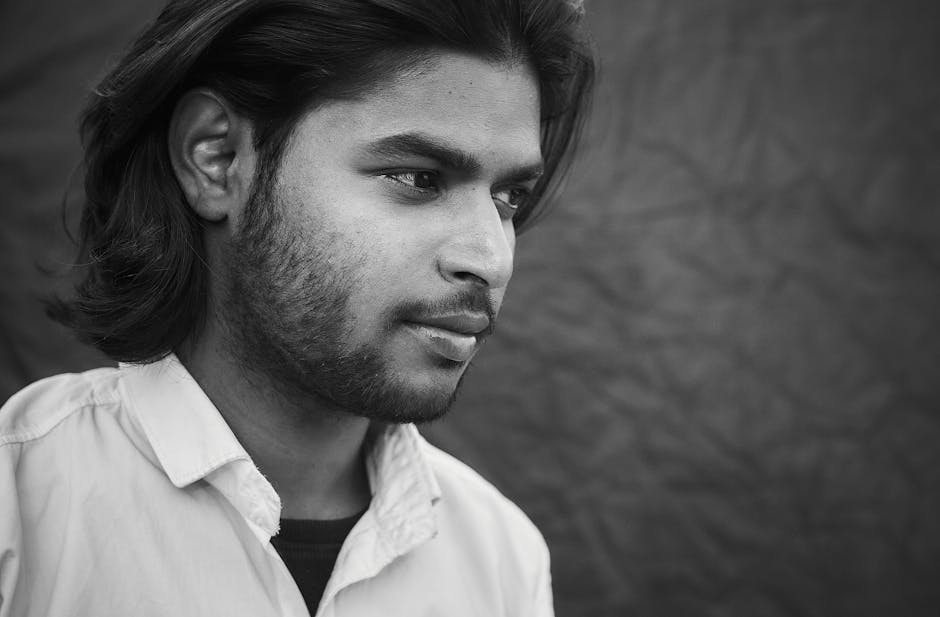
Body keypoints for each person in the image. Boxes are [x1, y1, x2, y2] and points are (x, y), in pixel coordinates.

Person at [0, 0, 594, 615]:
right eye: (418, 178)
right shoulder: (21, 508)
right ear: (218, 158)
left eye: (508, 197)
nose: (491, 260)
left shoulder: (500, 558)